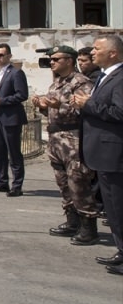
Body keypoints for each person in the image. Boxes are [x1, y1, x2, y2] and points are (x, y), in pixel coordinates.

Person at [31, 45, 98, 244]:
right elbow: (52, 111)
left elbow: (83, 109)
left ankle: (89, 227)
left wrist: (59, 105)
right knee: (63, 182)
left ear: (69, 60)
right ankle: (72, 221)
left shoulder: (81, 82)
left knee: (78, 182)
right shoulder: (57, 83)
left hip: (73, 139)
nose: (52, 62)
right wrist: (43, 107)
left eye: (56, 59)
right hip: (56, 139)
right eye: (51, 59)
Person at [72, 35, 123, 276]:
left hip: (114, 153)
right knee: (113, 208)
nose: (92, 52)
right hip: (102, 152)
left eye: (97, 48)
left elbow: (119, 112)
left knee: (117, 205)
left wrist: (88, 105)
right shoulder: (104, 76)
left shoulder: (120, 78)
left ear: (113, 53)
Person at [0, 43, 28, 197]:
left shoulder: (16, 73)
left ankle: (17, 185)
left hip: (11, 117)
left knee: (14, 152)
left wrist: (1, 101)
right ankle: (2, 181)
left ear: (9, 56)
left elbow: (22, 95)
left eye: (1, 55)